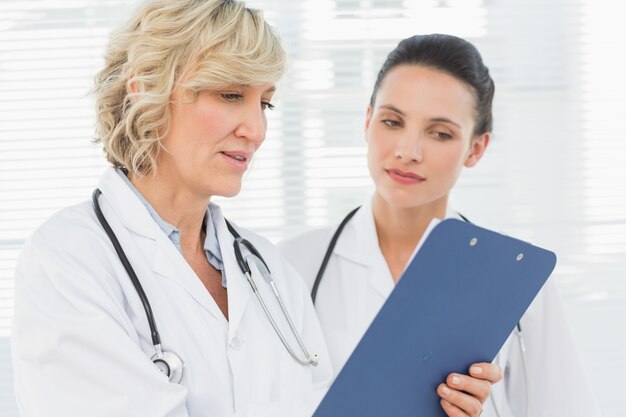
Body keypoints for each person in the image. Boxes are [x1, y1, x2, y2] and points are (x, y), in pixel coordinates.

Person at [10, 1, 332, 416]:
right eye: (230, 94)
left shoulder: (270, 270)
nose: (256, 130)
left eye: (264, 103)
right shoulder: (68, 262)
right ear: (145, 86)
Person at [279, 34, 601, 417]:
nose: (408, 151)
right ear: (367, 122)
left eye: (440, 133)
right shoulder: (291, 267)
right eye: (392, 121)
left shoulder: (517, 276)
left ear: (476, 149)